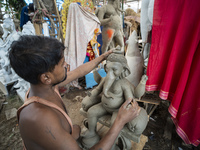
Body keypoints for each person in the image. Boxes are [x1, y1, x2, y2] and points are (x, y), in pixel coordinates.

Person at [9, 35, 140, 150]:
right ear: (46, 77)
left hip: (59, 136)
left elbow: (79, 72)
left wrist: (104, 57)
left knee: (77, 128)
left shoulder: (45, 85)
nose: (66, 64)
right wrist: (119, 122)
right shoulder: (41, 118)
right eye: (61, 63)